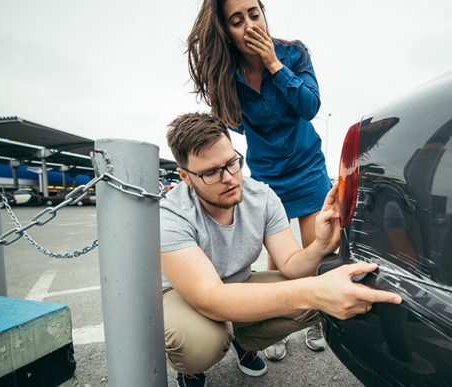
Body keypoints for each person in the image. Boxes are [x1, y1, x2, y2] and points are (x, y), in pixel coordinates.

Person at [160, 112, 402, 387]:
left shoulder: (261, 196)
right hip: (186, 296)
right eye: (211, 172)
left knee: (316, 292)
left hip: (239, 282)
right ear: (185, 176)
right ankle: (192, 369)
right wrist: (314, 292)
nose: (229, 178)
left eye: (232, 163)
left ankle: (245, 342)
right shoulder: (171, 214)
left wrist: (322, 244)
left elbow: (290, 264)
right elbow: (210, 298)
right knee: (199, 343)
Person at [186, 0, 332, 358]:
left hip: (307, 165)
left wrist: (273, 64)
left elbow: (310, 106)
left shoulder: (294, 53)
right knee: (279, 258)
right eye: (237, 20)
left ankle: (316, 320)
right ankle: (275, 321)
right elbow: (234, 122)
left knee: (315, 252)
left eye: (254, 13)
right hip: (267, 174)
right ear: (227, 33)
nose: (250, 25)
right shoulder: (227, 75)